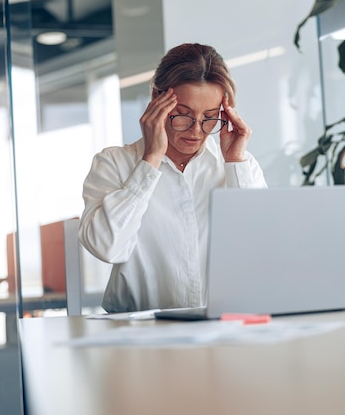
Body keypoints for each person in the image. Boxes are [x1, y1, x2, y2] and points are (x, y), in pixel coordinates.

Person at [79, 43, 267, 313]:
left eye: (210, 117)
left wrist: (235, 164)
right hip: (136, 331)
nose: (196, 131)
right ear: (158, 100)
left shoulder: (238, 165)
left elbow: (259, 252)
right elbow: (108, 247)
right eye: (183, 115)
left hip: (221, 326)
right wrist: (151, 159)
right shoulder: (114, 163)